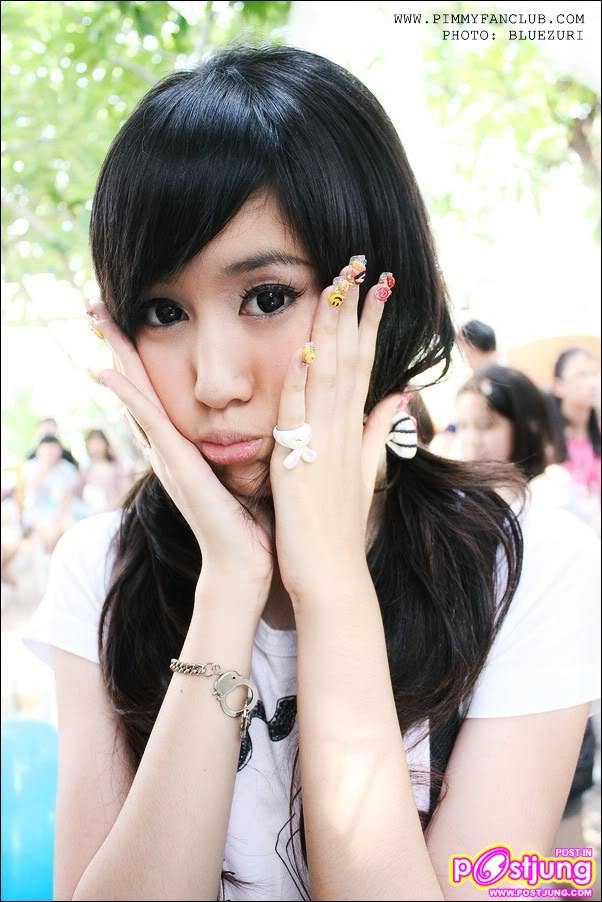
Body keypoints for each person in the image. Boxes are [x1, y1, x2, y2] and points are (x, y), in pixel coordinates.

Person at [22, 46, 599, 901]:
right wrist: (229, 587)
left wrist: (328, 582)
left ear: (380, 298)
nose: (215, 382)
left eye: (267, 297)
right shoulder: (103, 569)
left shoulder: (523, 568)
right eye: (163, 311)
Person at [455, 364, 600, 851]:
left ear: (527, 426)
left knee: (564, 842)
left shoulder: (553, 501)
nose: (471, 441)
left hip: (551, 705)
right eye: (462, 426)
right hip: (490, 713)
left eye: (486, 425)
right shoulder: (457, 509)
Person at [552, 347, 601, 506]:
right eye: (582, 375)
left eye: (595, 374)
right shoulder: (549, 441)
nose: (593, 383)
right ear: (559, 386)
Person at [77, 429, 131, 515]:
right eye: (93, 442)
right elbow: (77, 492)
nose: (96, 446)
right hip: (94, 513)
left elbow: (126, 490)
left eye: (99, 442)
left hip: (116, 511)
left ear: (106, 444)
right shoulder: (86, 469)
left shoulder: (117, 466)